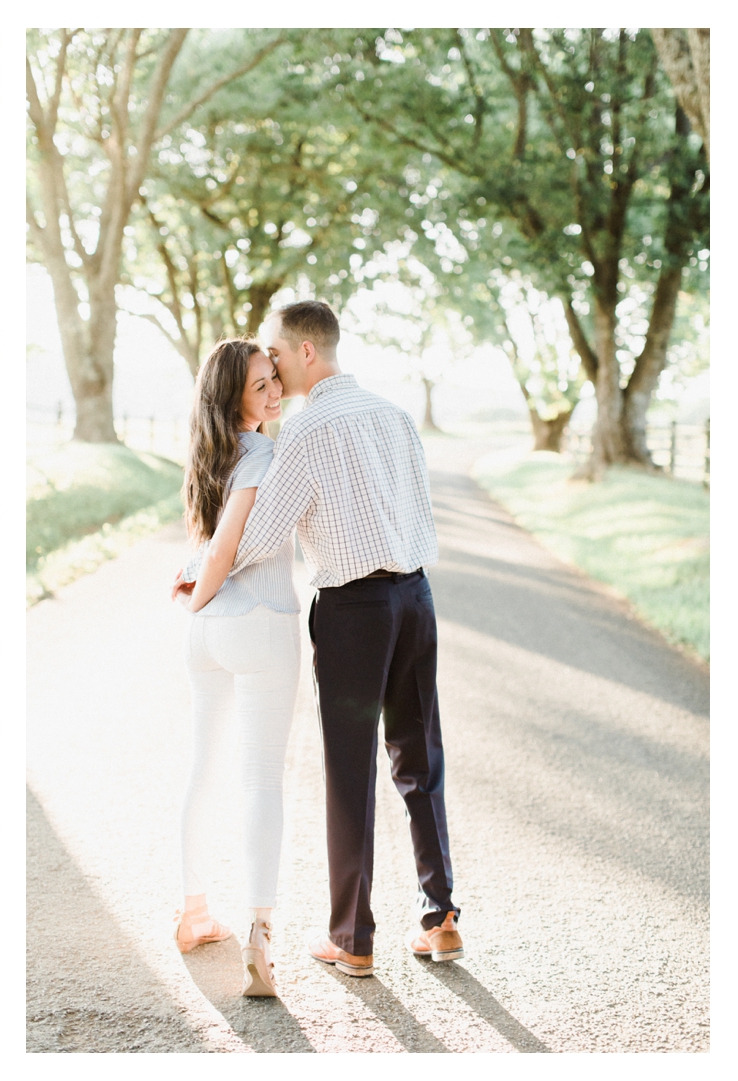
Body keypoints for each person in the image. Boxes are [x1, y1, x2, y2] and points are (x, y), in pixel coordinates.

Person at [177, 299, 461, 978]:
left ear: (306, 352)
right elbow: (422, 513)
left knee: (349, 767)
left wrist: (197, 572)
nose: (271, 367)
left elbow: (261, 535)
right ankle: (441, 917)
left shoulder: (304, 434)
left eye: (276, 354)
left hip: (354, 610)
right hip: (416, 597)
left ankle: (353, 938)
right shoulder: (396, 417)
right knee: (420, 757)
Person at [170, 339, 299, 998]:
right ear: (233, 399)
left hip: (205, 634)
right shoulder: (264, 455)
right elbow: (223, 548)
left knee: (202, 765)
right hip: (258, 625)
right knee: (260, 781)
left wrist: (193, 591)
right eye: (260, 385)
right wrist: (203, 583)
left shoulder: (209, 456)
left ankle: (193, 912)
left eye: (276, 379)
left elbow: (201, 547)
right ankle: (259, 937)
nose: (275, 392)